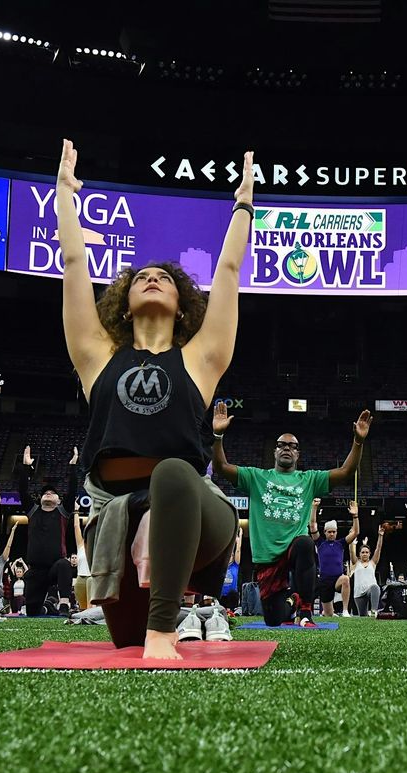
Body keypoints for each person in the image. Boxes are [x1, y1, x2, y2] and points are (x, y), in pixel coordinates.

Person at [60, 140, 248, 659]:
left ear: (182, 304)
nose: (152, 278)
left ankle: (167, 628)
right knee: (124, 639)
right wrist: (64, 196)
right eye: (142, 276)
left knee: (171, 472)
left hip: (194, 509)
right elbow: (75, 265)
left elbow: (229, 273)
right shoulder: (97, 356)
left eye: (164, 277)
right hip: (116, 513)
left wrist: (244, 206)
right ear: (124, 302)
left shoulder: (201, 358)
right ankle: (168, 610)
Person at [213, 401, 370, 628]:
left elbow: (346, 472)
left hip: (295, 548)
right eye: (281, 445)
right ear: (274, 451)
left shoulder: (309, 479)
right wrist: (218, 436)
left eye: (292, 446)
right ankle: (293, 599)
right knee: (274, 619)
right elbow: (221, 467)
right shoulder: (256, 477)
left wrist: (358, 441)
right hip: (267, 559)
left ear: (298, 454)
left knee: (306, 543)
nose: (286, 448)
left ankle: (305, 611)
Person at [17, 445, 80, 615]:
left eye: (53, 493)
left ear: (59, 500)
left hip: (55, 567)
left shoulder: (62, 512)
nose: (49, 493)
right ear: (41, 498)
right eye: (46, 493)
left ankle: (65, 603)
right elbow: (22, 490)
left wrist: (73, 466)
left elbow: (73, 489)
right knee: (32, 611)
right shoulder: (33, 510)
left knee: (64, 564)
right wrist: (25, 467)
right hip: (35, 570)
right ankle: (47, 607)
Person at [311, 498, 359, 616]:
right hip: (324, 581)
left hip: (337, 579)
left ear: (337, 532)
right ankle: (328, 612)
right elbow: (312, 525)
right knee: (329, 615)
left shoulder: (341, 543)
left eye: (334, 531)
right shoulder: (320, 542)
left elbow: (356, 532)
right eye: (329, 532)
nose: (332, 534)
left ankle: (345, 610)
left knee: (346, 579)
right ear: (325, 532)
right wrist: (314, 508)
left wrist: (355, 516)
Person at [348, 526, 385, 617]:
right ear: (359, 554)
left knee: (375, 587)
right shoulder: (356, 563)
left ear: (369, 554)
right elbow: (351, 552)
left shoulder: (373, 563)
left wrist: (380, 536)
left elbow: (378, 549)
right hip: (358, 593)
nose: (365, 554)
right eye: (363, 552)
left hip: (370, 590)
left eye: (366, 552)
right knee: (363, 616)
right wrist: (351, 539)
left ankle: (374, 610)